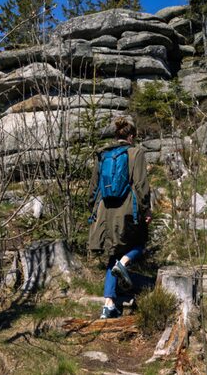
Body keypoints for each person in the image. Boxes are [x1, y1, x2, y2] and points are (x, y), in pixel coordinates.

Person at [88, 117, 151, 319]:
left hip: (105, 210)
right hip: (128, 208)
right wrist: (146, 210)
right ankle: (124, 264)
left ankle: (108, 305)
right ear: (131, 137)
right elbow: (141, 185)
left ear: (117, 135)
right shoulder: (136, 152)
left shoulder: (104, 154)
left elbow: (93, 187)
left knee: (112, 254)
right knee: (140, 243)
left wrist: (94, 209)